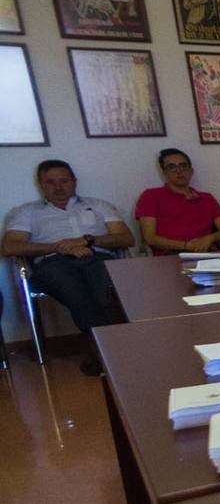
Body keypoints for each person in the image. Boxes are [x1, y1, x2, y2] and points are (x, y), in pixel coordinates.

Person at [3, 160, 134, 375]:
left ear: (74, 182)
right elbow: (10, 246)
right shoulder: (26, 212)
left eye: (64, 181)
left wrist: (87, 241)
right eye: (50, 182)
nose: (58, 187)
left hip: (96, 256)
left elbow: (126, 238)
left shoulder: (99, 205)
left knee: (105, 290)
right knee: (73, 288)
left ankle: (101, 351)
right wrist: (60, 246)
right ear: (41, 185)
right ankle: (107, 350)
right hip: (53, 262)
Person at [134, 148, 220, 255]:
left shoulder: (207, 198)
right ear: (164, 173)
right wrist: (186, 246)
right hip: (169, 256)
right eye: (171, 167)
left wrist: (209, 238)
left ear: (191, 170)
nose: (179, 171)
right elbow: (149, 238)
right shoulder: (151, 196)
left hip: (205, 253)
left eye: (183, 166)